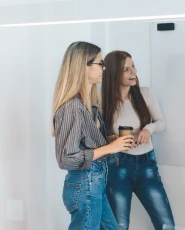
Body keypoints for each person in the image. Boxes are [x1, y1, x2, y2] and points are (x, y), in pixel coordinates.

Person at [52, 41, 135, 230]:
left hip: (94, 184)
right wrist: (110, 148)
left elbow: (85, 145)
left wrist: (108, 142)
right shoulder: (72, 107)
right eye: (100, 63)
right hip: (85, 186)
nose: (104, 68)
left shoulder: (89, 105)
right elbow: (66, 159)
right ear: (84, 67)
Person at [100, 50, 175, 230]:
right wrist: (112, 139)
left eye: (133, 66)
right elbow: (98, 135)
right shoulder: (102, 101)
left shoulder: (145, 93)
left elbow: (161, 123)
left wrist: (148, 129)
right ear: (113, 73)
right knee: (119, 226)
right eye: (126, 69)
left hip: (147, 164)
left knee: (166, 224)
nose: (133, 72)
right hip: (117, 166)